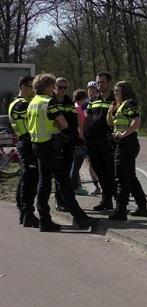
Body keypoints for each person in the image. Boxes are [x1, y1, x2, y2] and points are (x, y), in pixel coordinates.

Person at [27, 73, 94, 232]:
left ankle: (44, 219)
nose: (54, 90)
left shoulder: (32, 102)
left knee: (43, 182)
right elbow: (63, 124)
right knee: (64, 182)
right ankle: (80, 218)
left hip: (37, 144)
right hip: (51, 145)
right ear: (47, 86)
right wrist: (61, 131)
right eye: (52, 86)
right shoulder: (48, 102)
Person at [106, 81, 147, 221]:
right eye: (115, 91)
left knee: (121, 178)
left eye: (118, 91)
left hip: (127, 143)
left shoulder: (129, 104)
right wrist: (110, 111)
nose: (115, 93)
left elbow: (136, 122)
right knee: (130, 176)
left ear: (125, 91)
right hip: (121, 143)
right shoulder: (119, 105)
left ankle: (121, 210)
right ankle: (142, 207)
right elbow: (110, 123)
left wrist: (123, 134)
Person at [8, 75, 38, 227]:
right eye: (31, 86)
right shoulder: (21, 105)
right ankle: (27, 213)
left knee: (25, 177)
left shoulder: (22, 103)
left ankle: (24, 212)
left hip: (24, 142)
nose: (34, 90)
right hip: (27, 142)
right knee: (29, 179)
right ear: (23, 87)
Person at [86, 71, 116, 211]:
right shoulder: (93, 100)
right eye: (98, 82)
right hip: (93, 141)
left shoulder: (115, 99)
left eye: (102, 82)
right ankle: (106, 199)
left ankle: (115, 199)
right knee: (98, 169)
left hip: (109, 141)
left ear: (109, 83)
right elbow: (88, 119)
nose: (100, 85)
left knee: (110, 170)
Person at [53, 77, 78, 212]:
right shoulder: (50, 101)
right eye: (59, 87)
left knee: (66, 173)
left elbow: (74, 122)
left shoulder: (70, 103)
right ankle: (59, 200)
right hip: (54, 142)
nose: (62, 90)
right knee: (58, 173)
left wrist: (72, 137)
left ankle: (65, 200)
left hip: (67, 142)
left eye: (64, 87)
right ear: (54, 87)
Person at [85, 81, 101, 196]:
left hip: (99, 138)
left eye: (93, 90)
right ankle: (96, 186)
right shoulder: (85, 104)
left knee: (101, 163)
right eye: (89, 90)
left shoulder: (100, 102)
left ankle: (105, 184)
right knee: (90, 163)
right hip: (88, 137)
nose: (91, 92)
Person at [71, 89, 88, 195]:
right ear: (83, 98)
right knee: (77, 164)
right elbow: (79, 125)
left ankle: (76, 185)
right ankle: (74, 187)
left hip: (75, 139)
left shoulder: (74, 107)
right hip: (79, 140)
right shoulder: (78, 109)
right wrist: (82, 138)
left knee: (75, 164)